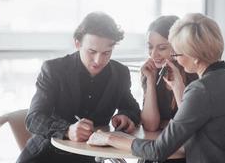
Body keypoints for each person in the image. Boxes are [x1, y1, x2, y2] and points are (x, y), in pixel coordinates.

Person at [89, 13, 225, 163]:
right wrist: (177, 87)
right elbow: (201, 127)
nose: (176, 58)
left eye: (178, 54)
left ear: (195, 57)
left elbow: (158, 150)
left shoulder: (201, 89)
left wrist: (110, 138)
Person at [17, 12, 141, 163]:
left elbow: (132, 109)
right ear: (77, 43)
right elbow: (34, 119)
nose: (98, 60)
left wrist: (125, 117)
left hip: (89, 158)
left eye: (106, 53)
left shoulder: (120, 73)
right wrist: (67, 130)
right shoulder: (54, 69)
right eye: (92, 51)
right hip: (45, 156)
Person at [141, 15, 197, 132]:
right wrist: (151, 81)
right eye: (150, 47)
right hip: (161, 143)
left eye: (161, 48)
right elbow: (150, 126)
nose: (153, 54)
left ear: (178, 46)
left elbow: (191, 126)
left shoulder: (193, 73)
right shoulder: (150, 71)